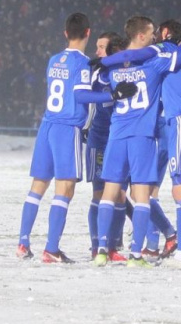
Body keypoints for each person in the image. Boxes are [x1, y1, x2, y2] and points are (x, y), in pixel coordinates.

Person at [93, 8, 181, 267]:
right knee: (146, 194)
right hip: (151, 133)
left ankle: (103, 249)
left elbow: (94, 86)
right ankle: (144, 252)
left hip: (123, 134)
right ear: (143, 35)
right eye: (151, 32)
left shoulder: (115, 68)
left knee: (113, 192)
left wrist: (107, 80)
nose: (155, 36)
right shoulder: (158, 63)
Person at [16, 13, 136, 263]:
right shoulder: (81, 63)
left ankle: (23, 242)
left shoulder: (53, 60)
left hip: (47, 125)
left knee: (37, 188)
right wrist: (112, 96)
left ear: (65, 33)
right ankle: (51, 249)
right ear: (88, 33)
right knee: (65, 189)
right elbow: (81, 96)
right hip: (66, 129)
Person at [85, 32, 133, 262]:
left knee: (120, 195)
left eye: (101, 47)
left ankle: (113, 246)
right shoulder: (97, 75)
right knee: (99, 194)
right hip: (99, 141)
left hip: (118, 141)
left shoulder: (123, 73)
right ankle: (97, 246)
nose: (98, 52)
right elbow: (88, 102)